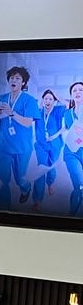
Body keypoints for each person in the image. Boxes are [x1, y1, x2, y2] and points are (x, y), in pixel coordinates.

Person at [0, 65, 38, 209]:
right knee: (1, 179)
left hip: (22, 146)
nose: (14, 80)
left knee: (20, 178)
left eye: (18, 78)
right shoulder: (2, 98)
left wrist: (12, 113)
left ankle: (26, 188)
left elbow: (28, 123)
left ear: (23, 82)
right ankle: (2, 210)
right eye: (12, 78)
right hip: (4, 144)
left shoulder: (29, 100)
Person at [31, 88, 66, 210]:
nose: (48, 101)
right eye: (46, 98)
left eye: (50, 99)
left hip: (55, 145)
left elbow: (68, 105)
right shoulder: (38, 112)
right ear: (43, 100)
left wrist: (57, 96)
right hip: (41, 145)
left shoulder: (58, 110)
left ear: (54, 101)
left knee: (51, 167)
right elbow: (27, 119)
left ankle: (50, 183)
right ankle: (37, 200)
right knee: (41, 168)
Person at [61, 80, 83, 215]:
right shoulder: (67, 114)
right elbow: (69, 132)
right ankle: (72, 216)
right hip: (71, 152)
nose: (77, 92)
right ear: (71, 95)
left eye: (81, 90)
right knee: (80, 184)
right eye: (74, 90)